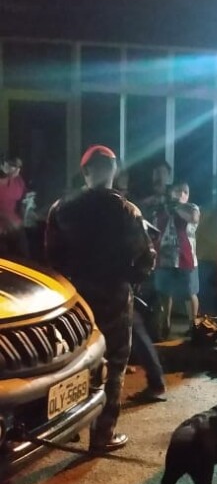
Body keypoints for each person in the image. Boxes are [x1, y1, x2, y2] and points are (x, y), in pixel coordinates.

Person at [46, 145, 154, 452]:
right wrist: (131, 280)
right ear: (114, 171)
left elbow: (51, 256)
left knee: (73, 363)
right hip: (114, 298)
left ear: (85, 171)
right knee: (114, 365)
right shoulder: (128, 211)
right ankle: (102, 434)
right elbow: (146, 258)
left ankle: (68, 427)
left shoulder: (61, 208)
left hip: (74, 301)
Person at [113, 173, 167, 402]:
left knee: (132, 329)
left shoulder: (124, 209)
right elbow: (149, 248)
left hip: (109, 282)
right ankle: (156, 382)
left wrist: (134, 277)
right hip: (120, 281)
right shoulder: (127, 209)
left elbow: (148, 247)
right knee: (134, 329)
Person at [154, 181, 201, 337]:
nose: (181, 194)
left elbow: (193, 217)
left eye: (185, 192)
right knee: (164, 293)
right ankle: (165, 324)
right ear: (171, 192)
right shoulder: (161, 209)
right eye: (178, 191)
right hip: (164, 259)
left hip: (186, 259)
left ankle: (194, 326)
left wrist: (175, 206)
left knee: (190, 293)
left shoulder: (192, 208)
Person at [0, 156, 26, 228]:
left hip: (15, 223)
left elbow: (24, 200)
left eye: (19, 167)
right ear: (3, 164)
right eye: (13, 165)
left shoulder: (18, 181)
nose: (17, 170)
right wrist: (8, 219)